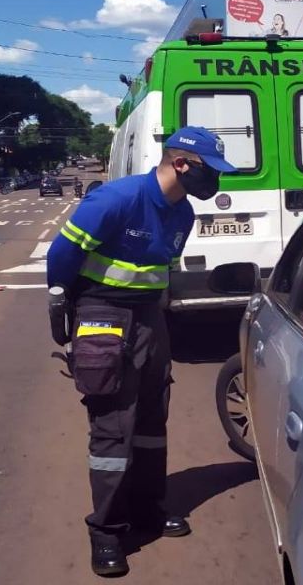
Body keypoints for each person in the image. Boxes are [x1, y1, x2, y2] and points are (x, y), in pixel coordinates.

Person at [45, 126, 237, 577]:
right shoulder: (116, 200)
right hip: (101, 312)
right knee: (113, 428)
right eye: (212, 171)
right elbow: (62, 255)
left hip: (149, 318)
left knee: (152, 419)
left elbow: (160, 274)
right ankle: (107, 531)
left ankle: (148, 508)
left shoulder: (183, 214)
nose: (217, 183)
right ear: (182, 164)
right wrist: (63, 303)